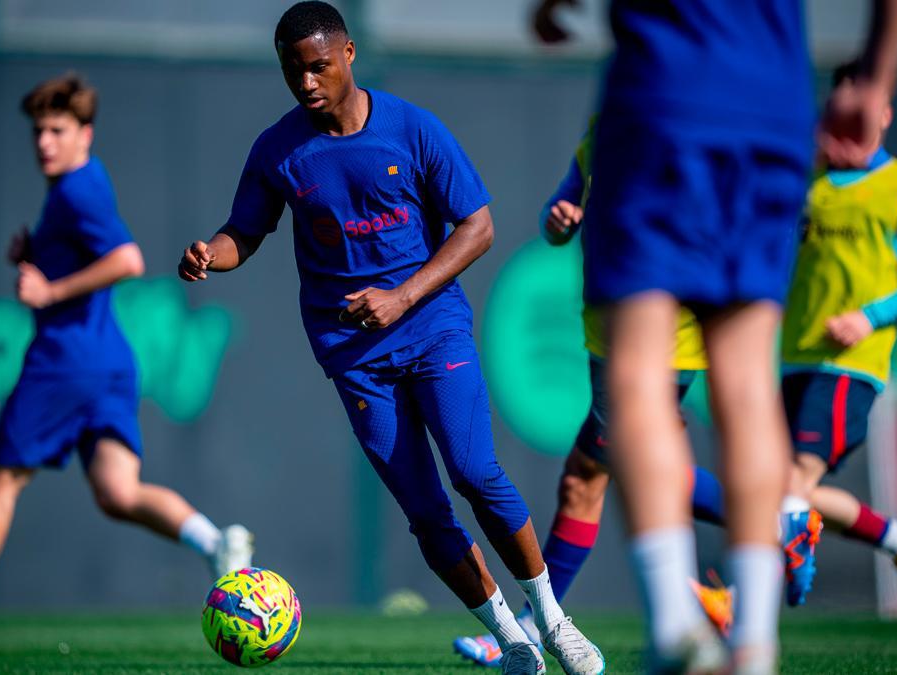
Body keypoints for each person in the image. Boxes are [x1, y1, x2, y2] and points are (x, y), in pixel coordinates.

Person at [178, 4, 603, 674]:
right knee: (425, 511)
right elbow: (246, 231)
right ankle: (511, 641)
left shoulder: (412, 129)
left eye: (319, 65)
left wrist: (402, 295)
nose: (307, 82)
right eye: (294, 70)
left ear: (348, 53)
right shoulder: (279, 149)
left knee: (474, 471)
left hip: (434, 330)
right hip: (354, 358)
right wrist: (212, 252)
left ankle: (551, 618)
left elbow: (478, 226)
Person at [531, 1, 897, 672]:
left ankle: (678, 630)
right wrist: (877, 76)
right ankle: (756, 645)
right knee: (745, 381)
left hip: (661, 101)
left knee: (634, 378)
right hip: (771, 110)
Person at [0, 74, 252, 654]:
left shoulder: (79, 190)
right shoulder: (75, 189)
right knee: (118, 492)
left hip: (63, 364)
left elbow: (128, 260)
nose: (44, 142)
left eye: (58, 129)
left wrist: (50, 291)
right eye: (38, 131)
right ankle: (216, 542)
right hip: (107, 363)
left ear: (86, 134)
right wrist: (37, 255)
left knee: (0, 481)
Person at [453, 121, 732, 668]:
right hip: (608, 336)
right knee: (609, 475)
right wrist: (558, 222)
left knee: (592, 474)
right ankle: (775, 523)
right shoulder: (602, 136)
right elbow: (558, 219)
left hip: (661, 339)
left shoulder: (692, 137)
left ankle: (536, 628)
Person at [778, 60, 897, 615]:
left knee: (793, 478)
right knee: (783, 486)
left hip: (851, 362)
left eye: (862, 105)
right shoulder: (810, 184)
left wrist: (869, 317)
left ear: (885, 114)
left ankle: (734, 597)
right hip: (792, 356)